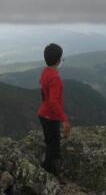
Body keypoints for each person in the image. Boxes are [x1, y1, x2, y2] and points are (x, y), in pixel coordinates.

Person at [38, 43, 71, 175]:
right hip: (51, 117)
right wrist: (64, 120)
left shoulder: (45, 72)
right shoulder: (55, 78)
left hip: (43, 114)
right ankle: (48, 171)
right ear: (58, 60)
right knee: (54, 146)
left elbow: (43, 91)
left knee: (50, 142)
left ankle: (49, 167)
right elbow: (53, 101)